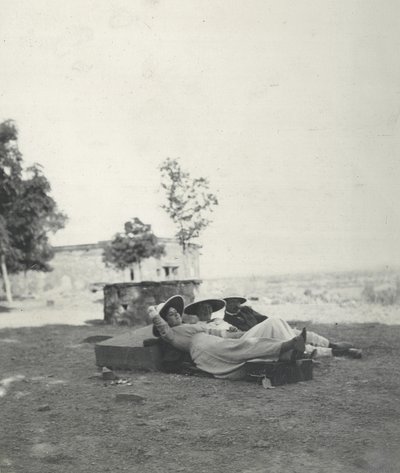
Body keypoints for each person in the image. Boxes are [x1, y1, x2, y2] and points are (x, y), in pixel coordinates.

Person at [148, 295, 310, 380]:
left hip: (212, 341)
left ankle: (294, 351)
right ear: (165, 320)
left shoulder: (190, 326)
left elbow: (215, 332)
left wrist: (237, 334)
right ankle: (287, 347)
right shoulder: (171, 334)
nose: (175, 315)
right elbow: (162, 328)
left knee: (273, 322)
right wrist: (153, 313)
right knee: (242, 348)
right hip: (202, 349)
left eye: (176, 312)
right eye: (170, 314)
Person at [223, 296, 362, 358]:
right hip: (262, 340)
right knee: (292, 341)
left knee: (295, 332)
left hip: (271, 330)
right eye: (232, 302)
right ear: (226, 303)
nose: (236, 305)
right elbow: (243, 338)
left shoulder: (246, 310)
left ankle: (332, 345)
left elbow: (265, 319)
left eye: (237, 301)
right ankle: (338, 353)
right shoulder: (225, 320)